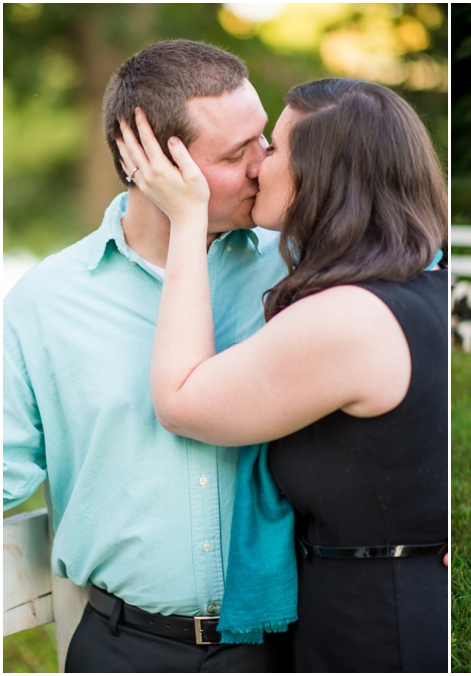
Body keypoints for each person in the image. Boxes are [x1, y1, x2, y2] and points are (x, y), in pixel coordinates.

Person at [116, 76, 448, 672]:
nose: (258, 165)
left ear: (321, 176)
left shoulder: (347, 316)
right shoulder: (419, 281)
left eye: (275, 148)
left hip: (379, 622)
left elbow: (181, 399)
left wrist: (186, 221)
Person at [3, 40, 288, 671]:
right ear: (154, 165)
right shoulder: (44, 304)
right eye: (237, 153)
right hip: (123, 647)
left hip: (287, 639)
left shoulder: (293, 268)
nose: (264, 165)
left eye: (263, 139)